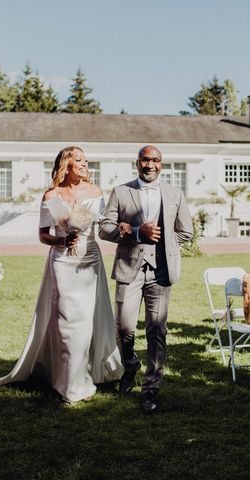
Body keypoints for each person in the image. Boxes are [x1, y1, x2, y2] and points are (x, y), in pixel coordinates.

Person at [0, 146, 122, 403]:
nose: (85, 165)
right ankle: (68, 382)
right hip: (62, 261)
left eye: (86, 160)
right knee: (67, 319)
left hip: (89, 259)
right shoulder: (52, 195)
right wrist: (62, 241)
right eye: (79, 161)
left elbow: (102, 227)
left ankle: (83, 372)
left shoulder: (96, 192)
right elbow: (43, 234)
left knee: (86, 319)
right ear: (66, 165)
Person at [99, 145, 193, 412]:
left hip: (161, 272)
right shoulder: (121, 191)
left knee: (156, 330)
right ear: (137, 162)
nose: (150, 165)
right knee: (124, 328)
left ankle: (151, 388)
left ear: (161, 164)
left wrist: (164, 241)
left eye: (155, 160)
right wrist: (138, 232)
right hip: (129, 269)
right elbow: (104, 229)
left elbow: (186, 232)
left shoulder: (175, 194)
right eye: (145, 160)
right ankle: (130, 364)